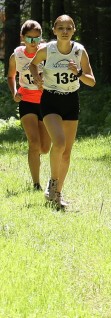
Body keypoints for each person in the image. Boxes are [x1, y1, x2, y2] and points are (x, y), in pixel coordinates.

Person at [29, 14, 96, 209]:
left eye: (69, 28)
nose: (65, 32)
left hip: (71, 101)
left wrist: (78, 73)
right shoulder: (46, 49)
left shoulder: (79, 51)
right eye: (61, 28)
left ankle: (57, 195)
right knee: (58, 142)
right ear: (54, 31)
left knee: (66, 153)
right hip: (50, 100)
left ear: (74, 30)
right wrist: (36, 78)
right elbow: (33, 64)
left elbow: (91, 81)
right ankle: (52, 182)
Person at [7, 20, 51, 190]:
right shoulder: (16, 55)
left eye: (36, 39)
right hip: (26, 101)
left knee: (45, 148)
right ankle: (36, 184)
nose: (33, 43)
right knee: (33, 143)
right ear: (22, 38)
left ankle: (35, 156)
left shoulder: (48, 51)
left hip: (46, 102)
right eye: (29, 39)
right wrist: (14, 92)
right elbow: (11, 76)